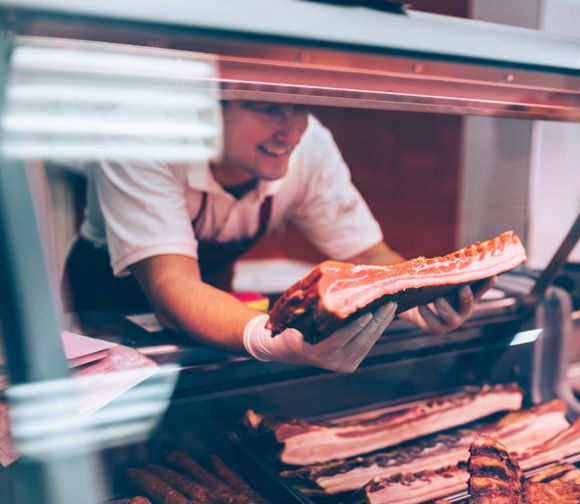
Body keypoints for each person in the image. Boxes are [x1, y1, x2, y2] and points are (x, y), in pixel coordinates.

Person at [63, 101, 494, 372]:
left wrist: (416, 298)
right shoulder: (146, 132)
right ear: (212, 104)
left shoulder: (311, 147)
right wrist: (270, 339)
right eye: (266, 108)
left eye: (298, 107)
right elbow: (172, 284)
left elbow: (371, 255)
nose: (288, 131)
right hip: (109, 299)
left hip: (209, 295)